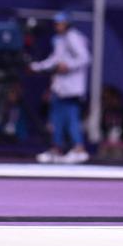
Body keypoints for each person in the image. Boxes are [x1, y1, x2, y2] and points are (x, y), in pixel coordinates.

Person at [30, 11, 91, 164]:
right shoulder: (59, 39)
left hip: (72, 88)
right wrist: (37, 67)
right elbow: (55, 59)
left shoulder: (74, 37)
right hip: (60, 87)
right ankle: (56, 149)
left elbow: (85, 57)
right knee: (55, 119)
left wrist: (68, 66)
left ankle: (79, 150)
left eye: (60, 23)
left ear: (67, 24)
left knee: (71, 119)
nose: (57, 26)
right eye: (56, 24)